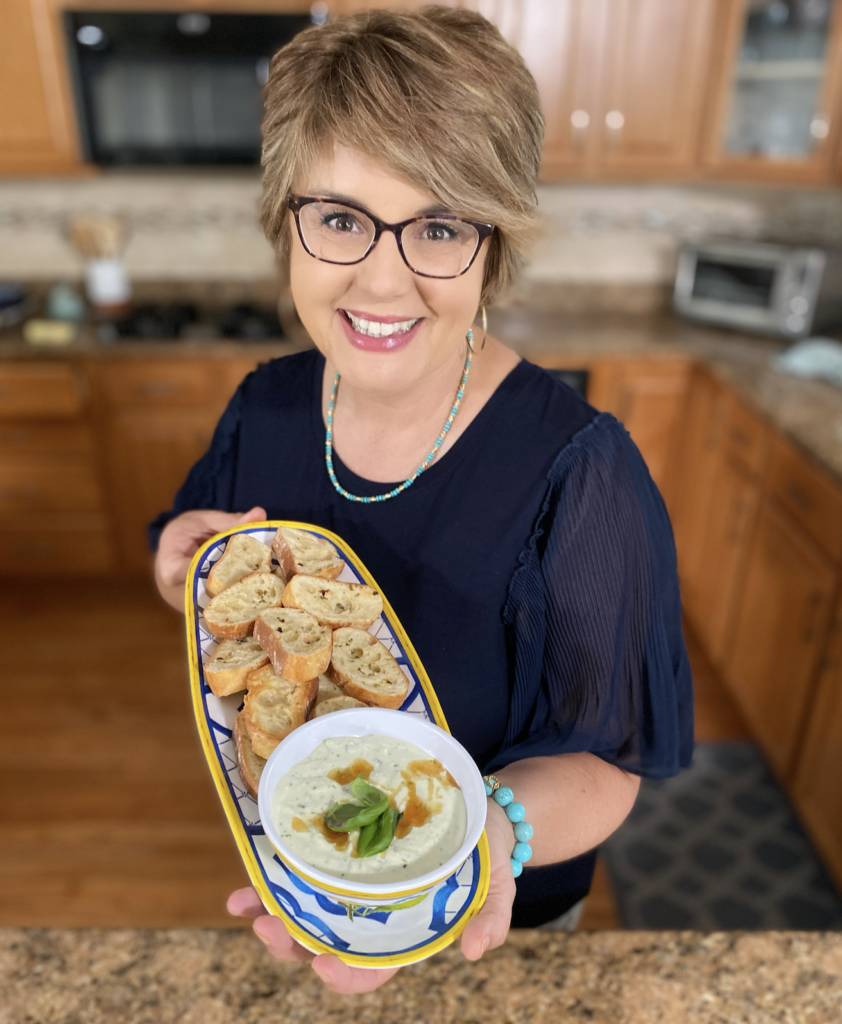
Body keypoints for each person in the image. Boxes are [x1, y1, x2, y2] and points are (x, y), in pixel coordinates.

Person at [151, 6, 693, 995]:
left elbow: (607, 761)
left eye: (439, 224)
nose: (381, 279)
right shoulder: (265, 404)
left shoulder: (583, 471)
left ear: (495, 243)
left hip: (500, 913)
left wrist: (471, 838)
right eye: (342, 218)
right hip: (310, 876)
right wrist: (176, 557)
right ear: (288, 222)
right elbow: (203, 561)